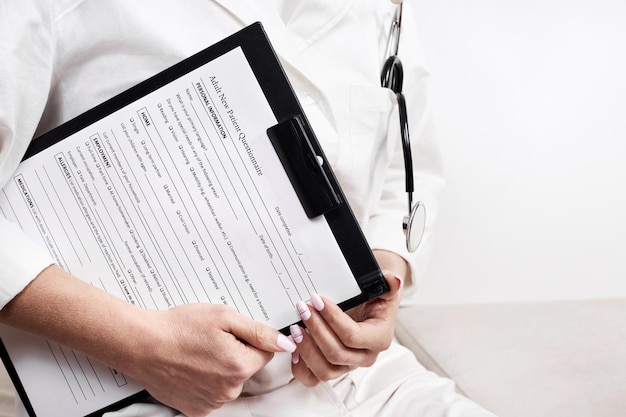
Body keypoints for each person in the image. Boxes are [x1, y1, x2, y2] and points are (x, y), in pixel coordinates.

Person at [0, 1, 497, 416]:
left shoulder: (382, 11)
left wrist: (377, 286)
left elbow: (403, 168)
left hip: (353, 384)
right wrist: (144, 348)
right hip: (124, 385)